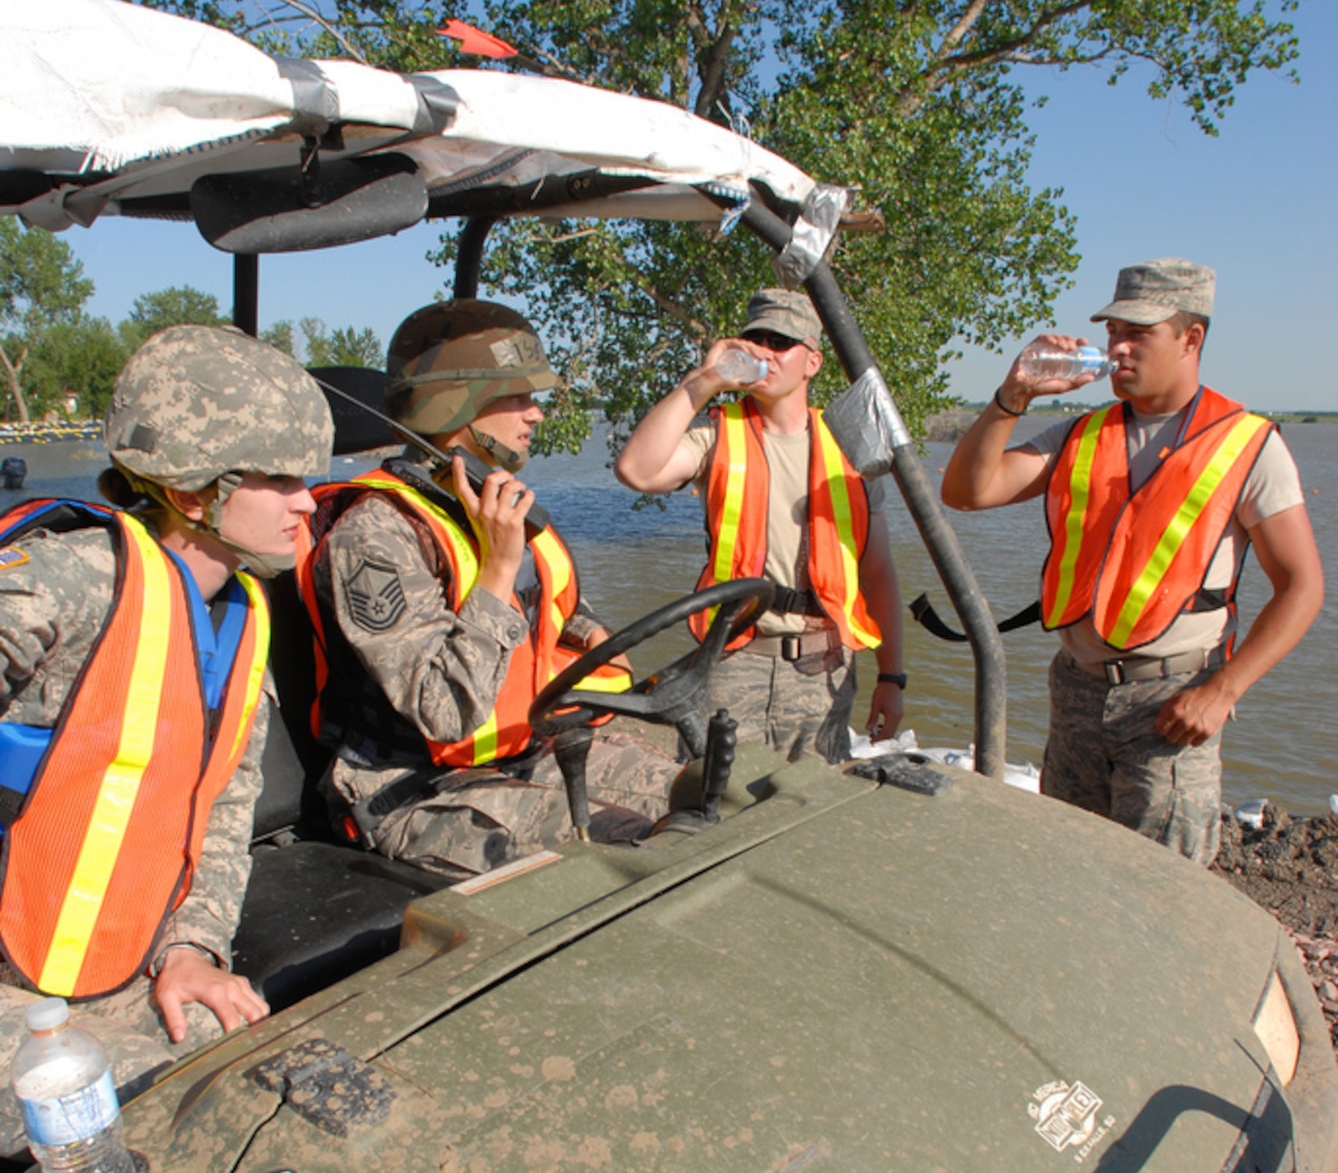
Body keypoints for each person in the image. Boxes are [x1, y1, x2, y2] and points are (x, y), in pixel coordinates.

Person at [0, 324, 331, 1146]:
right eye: (281, 479)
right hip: (13, 982)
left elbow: (222, 812)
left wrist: (193, 950)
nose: (308, 501)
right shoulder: (64, 582)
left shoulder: (240, 618)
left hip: (122, 961)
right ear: (194, 495)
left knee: (251, 1091)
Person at [941, 259, 1324, 864]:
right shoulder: (1080, 435)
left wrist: (1223, 690)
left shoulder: (1248, 444)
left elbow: (1301, 587)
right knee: (1065, 874)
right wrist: (1013, 394)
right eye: (1114, 330)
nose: (1117, 347)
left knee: (1160, 895)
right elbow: (967, 492)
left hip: (1172, 704)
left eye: (1138, 333)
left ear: (1191, 338)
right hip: (1076, 692)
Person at [298, 300, 680, 876]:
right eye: (519, 397)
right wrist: (499, 570)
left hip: (525, 752)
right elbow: (444, 710)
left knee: (703, 794)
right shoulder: (374, 532)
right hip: (412, 790)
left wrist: (594, 634)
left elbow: (555, 611)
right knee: (624, 851)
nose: (537, 414)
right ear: (459, 403)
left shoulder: (486, 502)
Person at [614, 288, 905, 762]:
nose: (764, 352)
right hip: (732, 663)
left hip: (824, 670)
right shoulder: (716, 433)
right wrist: (705, 380)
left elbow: (878, 573)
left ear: (812, 361)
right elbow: (636, 471)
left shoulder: (852, 445)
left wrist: (892, 678)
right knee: (713, 807)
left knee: (808, 814)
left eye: (780, 342)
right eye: (755, 340)